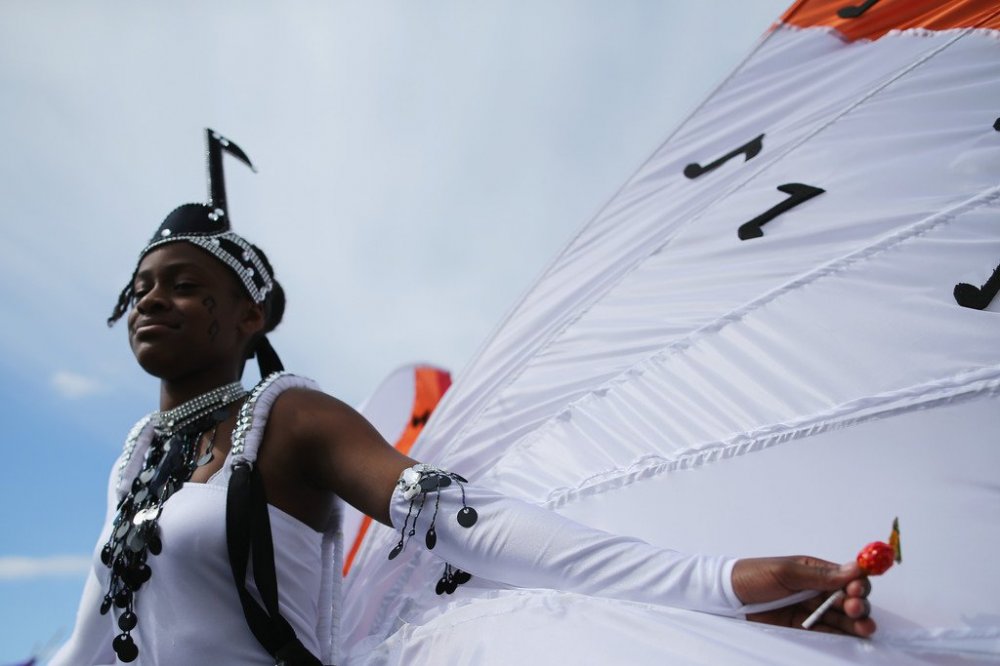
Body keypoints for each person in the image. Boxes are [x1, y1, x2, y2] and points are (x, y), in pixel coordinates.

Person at [51, 131, 875, 666]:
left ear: (248, 316)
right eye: (143, 287)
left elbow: (470, 521)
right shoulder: (138, 460)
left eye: (185, 286)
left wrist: (716, 581)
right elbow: (90, 643)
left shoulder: (291, 418)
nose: (154, 300)